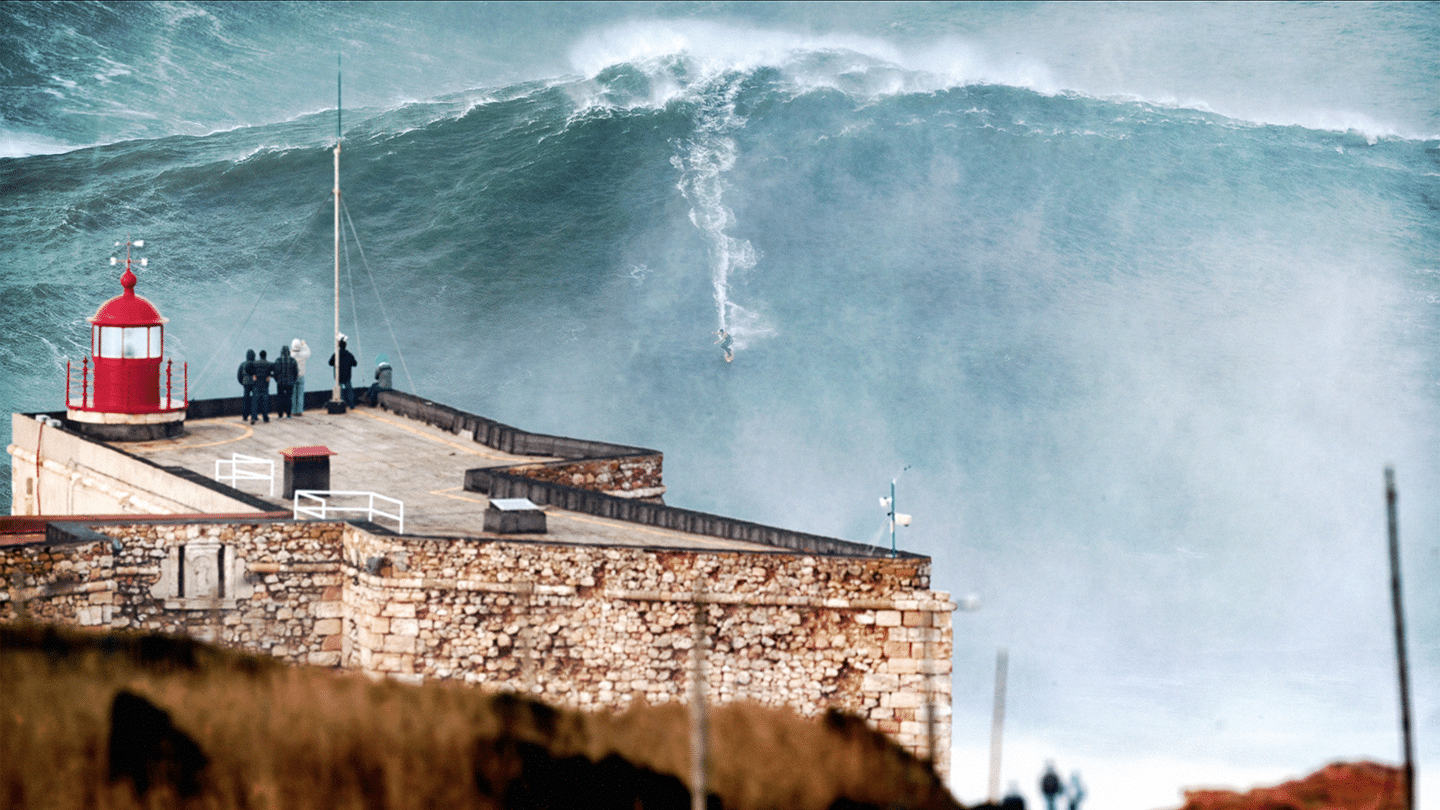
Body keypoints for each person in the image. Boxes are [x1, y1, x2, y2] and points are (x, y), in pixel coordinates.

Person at [329, 336, 358, 408]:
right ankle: (352, 405)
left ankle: (342, 404)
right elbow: (355, 364)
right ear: (346, 346)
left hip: (338, 376)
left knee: (340, 391)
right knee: (349, 390)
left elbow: (330, 363)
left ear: (339, 346)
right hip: (347, 376)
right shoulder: (349, 354)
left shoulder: (336, 354)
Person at [273, 344, 298, 419]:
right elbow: (295, 373)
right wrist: (293, 380)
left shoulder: (278, 360)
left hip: (280, 383)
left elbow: (275, 373)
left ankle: (280, 415)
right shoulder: (293, 360)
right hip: (290, 383)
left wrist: (277, 380)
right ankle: (288, 414)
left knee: (280, 398)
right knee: (289, 398)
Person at [251, 349, 274, 423]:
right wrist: (270, 375)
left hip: (256, 385)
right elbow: (275, 370)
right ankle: (265, 417)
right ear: (265, 355)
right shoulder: (269, 363)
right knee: (265, 402)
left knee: (255, 402)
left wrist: (254, 376)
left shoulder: (255, 363)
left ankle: (254, 417)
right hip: (265, 385)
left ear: (260, 355)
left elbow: (249, 370)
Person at [290, 337, 310, 416]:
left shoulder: (291, 355)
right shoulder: (303, 354)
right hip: (301, 376)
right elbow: (308, 352)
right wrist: (304, 345)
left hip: (293, 377)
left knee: (294, 394)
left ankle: (293, 411)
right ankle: (300, 410)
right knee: (300, 394)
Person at [236, 349, 257, 423]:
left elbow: (239, 376)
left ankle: (245, 416)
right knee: (254, 400)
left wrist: (243, 383)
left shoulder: (242, 364)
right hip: (254, 384)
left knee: (245, 400)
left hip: (246, 384)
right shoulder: (255, 364)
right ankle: (254, 416)